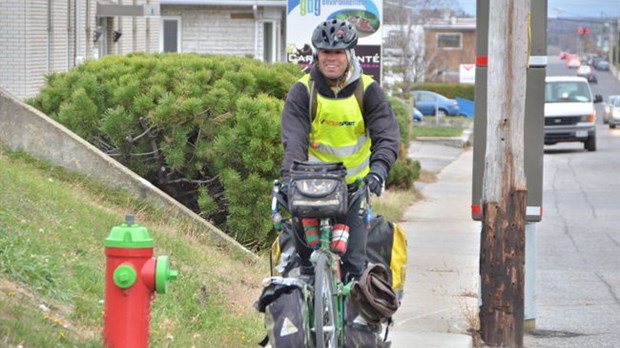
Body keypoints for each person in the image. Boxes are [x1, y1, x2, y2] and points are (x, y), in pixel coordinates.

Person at [279, 18, 400, 282]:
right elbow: (294, 141)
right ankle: (308, 310)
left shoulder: (368, 90)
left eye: (337, 52)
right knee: (304, 265)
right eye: (325, 52)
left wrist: (378, 170)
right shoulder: (303, 91)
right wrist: (288, 178)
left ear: (349, 54)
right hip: (310, 189)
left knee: (354, 266)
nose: (330, 58)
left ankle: (353, 321)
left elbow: (387, 136)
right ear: (317, 54)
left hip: (353, 188)